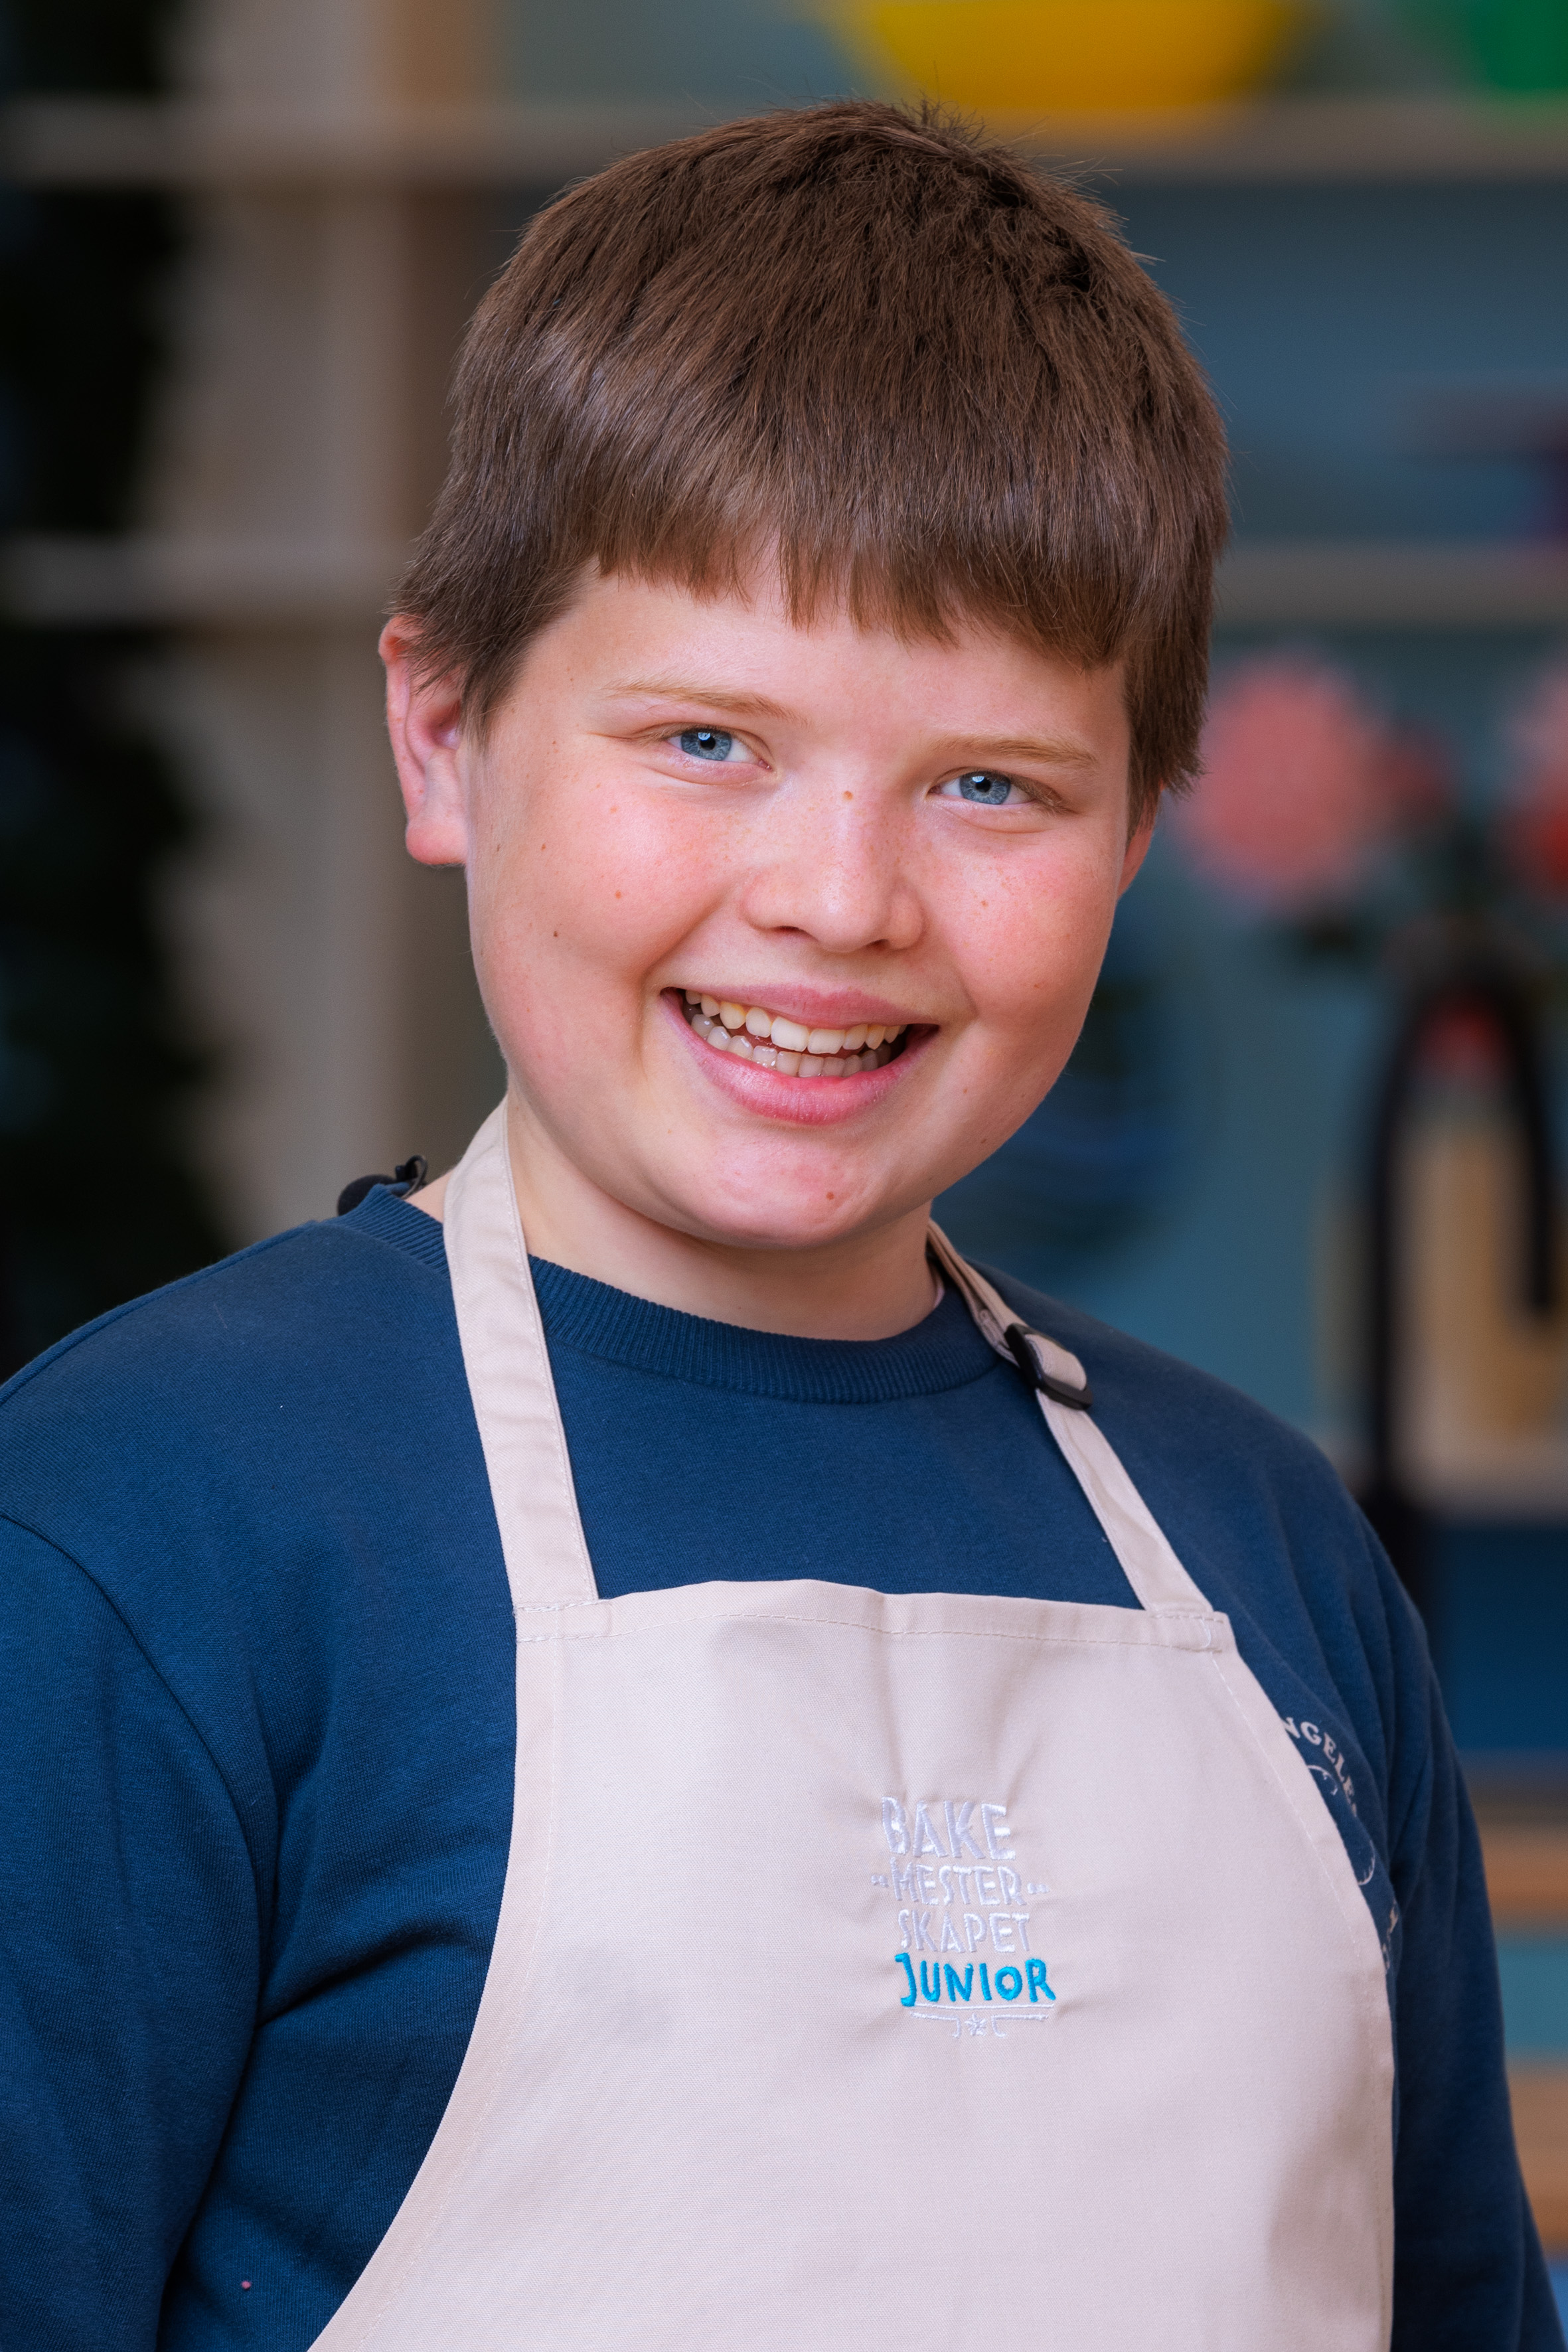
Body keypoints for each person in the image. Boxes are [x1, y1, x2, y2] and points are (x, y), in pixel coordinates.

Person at [0, 100, 1555, 2352]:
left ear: (1134, 836)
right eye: (709, 741)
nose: (840, 901)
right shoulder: (147, 1533)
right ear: (441, 736)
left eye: (990, 785)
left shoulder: (1271, 1559)